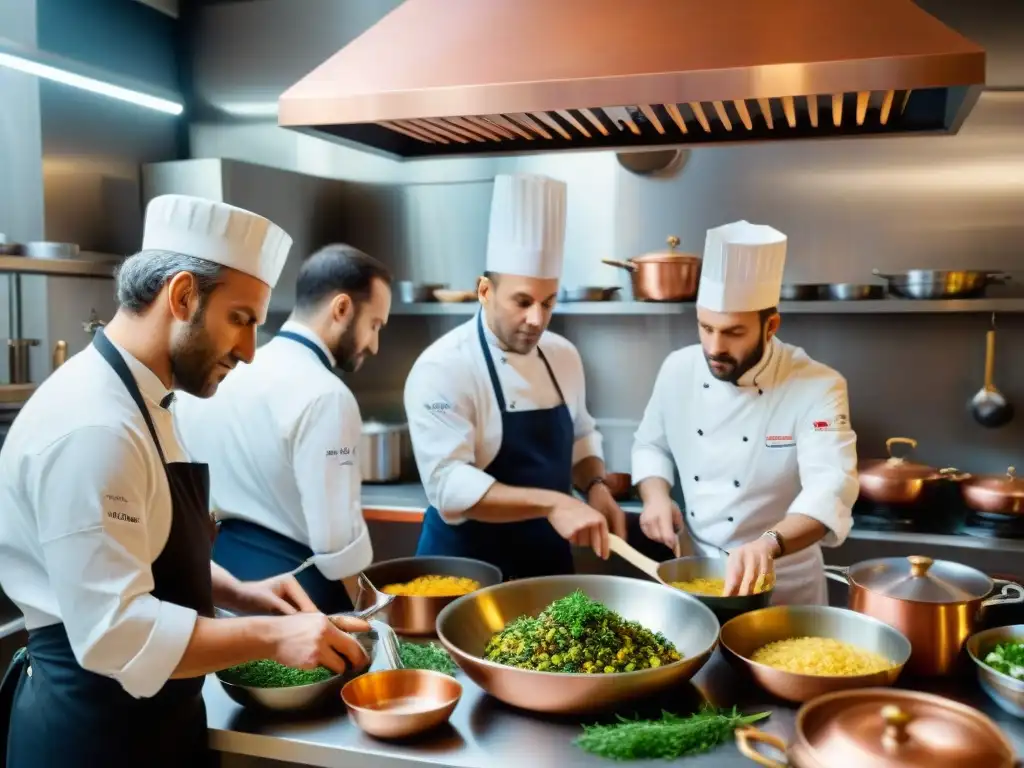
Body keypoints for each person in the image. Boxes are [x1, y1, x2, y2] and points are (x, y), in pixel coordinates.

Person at [0, 195, 371, 768]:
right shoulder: (93, 424)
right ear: (181, 296)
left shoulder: (147, 399)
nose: (249, 352)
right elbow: (113, 631)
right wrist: (271, 637)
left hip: (153, 723)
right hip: (92, 735)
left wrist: (237, 591)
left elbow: (139, 549)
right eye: (241, 320)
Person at [404, 173, 625, 581]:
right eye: (522, 302)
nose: (536, 319)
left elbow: (581, 435)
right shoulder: (444, 367)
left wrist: (595, 485)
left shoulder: (563, 355)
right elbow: (449, 486)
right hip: (465, 574)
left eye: (548, 302)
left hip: (547, 569)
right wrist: (554, 504)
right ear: (484, 290)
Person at [632, 220, 858, 605]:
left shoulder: (818, 385)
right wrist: (655, 497)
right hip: (696, 571)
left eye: (733, 332)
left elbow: (830, 487)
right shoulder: (677, 368)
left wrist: (768, 544)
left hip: (784, 580)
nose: (714, 347)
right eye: (705, 328)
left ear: (770, 326)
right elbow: (650, 445)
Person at [172, 244, 393, 615]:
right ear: (341, 309)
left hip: (220, 586)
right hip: (300, 600)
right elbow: (335, 544)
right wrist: (374, 612)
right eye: (374, 325)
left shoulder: (216, 377)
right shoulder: (327, 395)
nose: (373, 344)